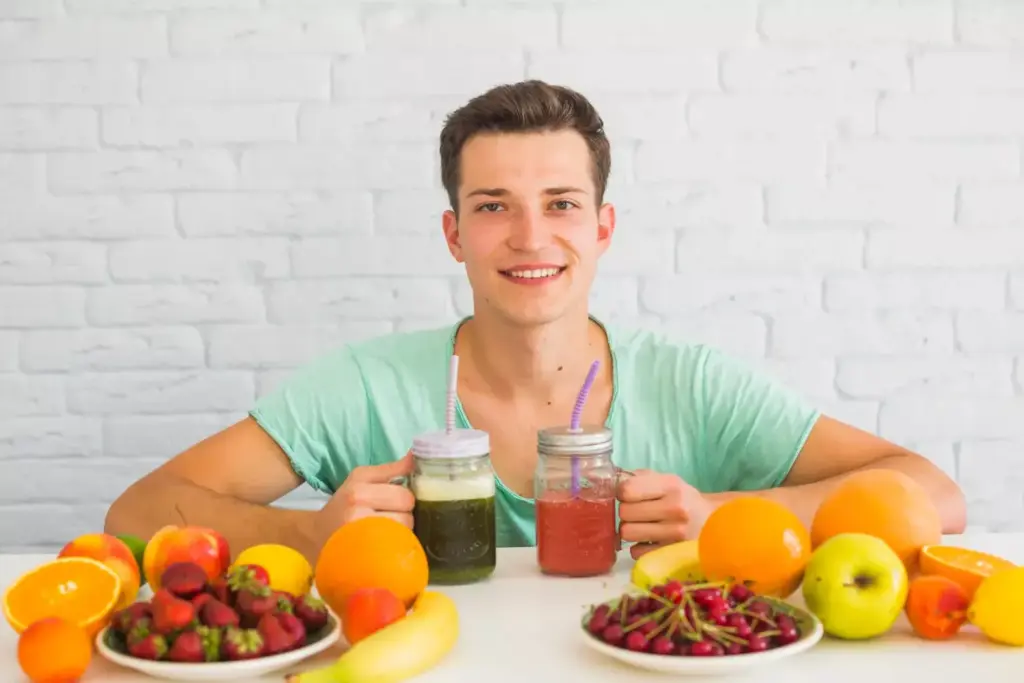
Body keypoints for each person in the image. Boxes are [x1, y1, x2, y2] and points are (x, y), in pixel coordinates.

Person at [104, 80, 966, 565]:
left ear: (602, 228)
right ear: (453, 233)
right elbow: (134, 511)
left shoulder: (692, 384)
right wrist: (308, 530)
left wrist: (726, 516)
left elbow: (936, 493)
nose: (529, 236)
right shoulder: (364, 386)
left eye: (560, 203)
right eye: (492, 206)